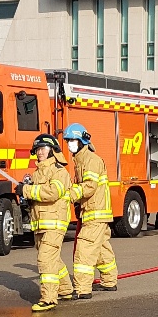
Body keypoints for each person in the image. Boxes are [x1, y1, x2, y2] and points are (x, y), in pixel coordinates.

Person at [19, 134, 74, 312]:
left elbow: (52, 193)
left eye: (42, 149)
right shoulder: (37, 173)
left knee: (45, 259)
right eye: (37, 150)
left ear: (52, 150)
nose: (39, 152)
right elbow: (38, 196)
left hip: (54, 223)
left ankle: (49, 299)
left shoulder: (59, 171)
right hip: (41, 224)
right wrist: (26, 195)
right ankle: (65, 289)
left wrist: (27, 190)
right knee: (53, 259)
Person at [63, 123, 118, 298]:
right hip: (94, 212)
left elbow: (89, 187)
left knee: (84, 250)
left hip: (95, 213)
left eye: (72, 140)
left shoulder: (91, 161)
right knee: (101, 249)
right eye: (68, 141)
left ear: (82, 141)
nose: (69, 144)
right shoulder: (81, 160)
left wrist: (69, 195)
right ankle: (109, 281)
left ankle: (83, 289)